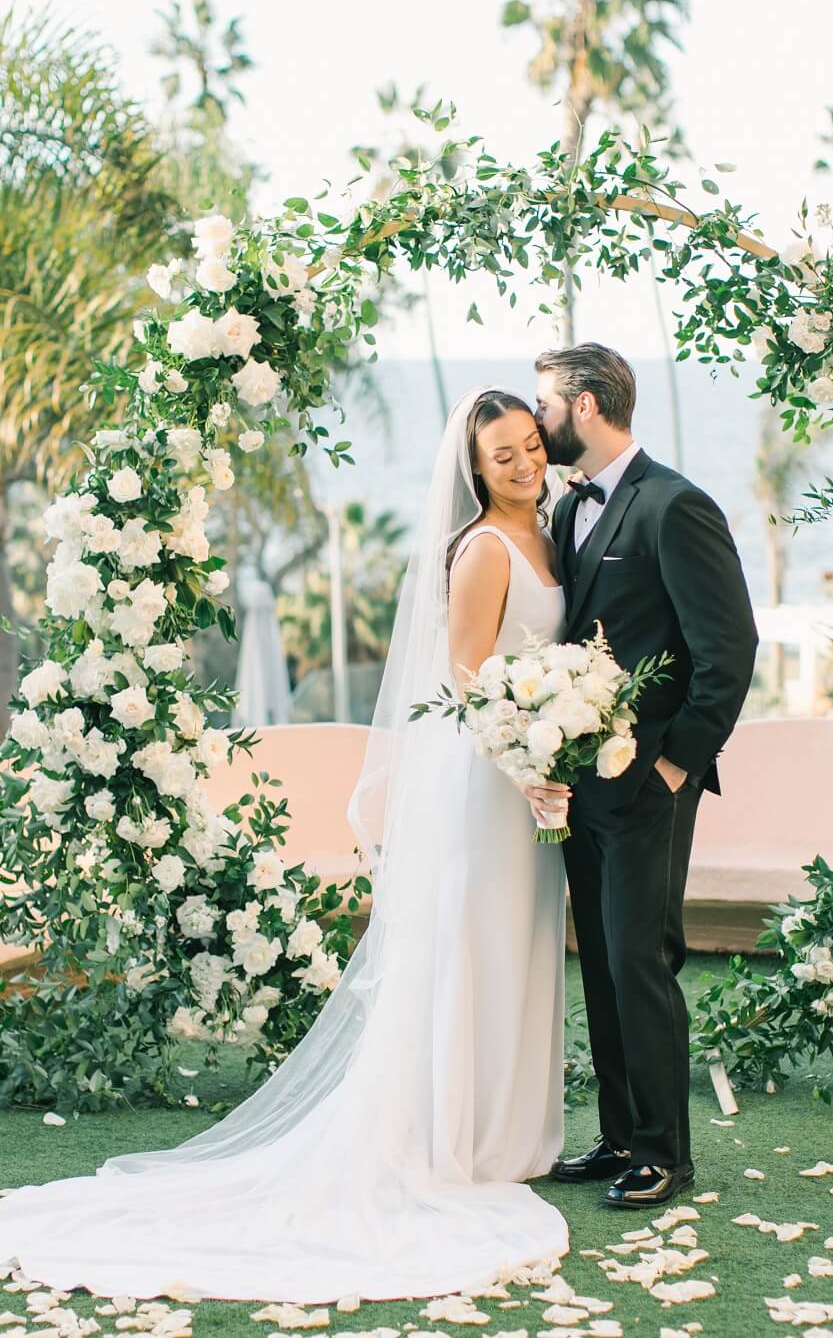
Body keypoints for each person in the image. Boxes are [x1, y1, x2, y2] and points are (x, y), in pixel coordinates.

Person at [0, 389, 573, 1302]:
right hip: (485, 781)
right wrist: (524, 757)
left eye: (531, 445)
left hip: (532, 784)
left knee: (521, 949)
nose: (522, 464)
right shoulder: (482, 550)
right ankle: (456, 1140)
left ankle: (512, 1135)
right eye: (501, 454)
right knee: (472, 950)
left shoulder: (552, 530)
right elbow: (466, 677)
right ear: (473, 468)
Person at [535, 343, 758, 1210]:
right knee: (600, 960)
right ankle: (621, 1136)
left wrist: (674, 762)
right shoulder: (567, 510)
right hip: (581, 784)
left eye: (546, 400)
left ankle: (666, 1153)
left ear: (585, 405)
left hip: (649, 782)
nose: (538, 414)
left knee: (642, 958)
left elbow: (726, 649)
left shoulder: (674, 506)